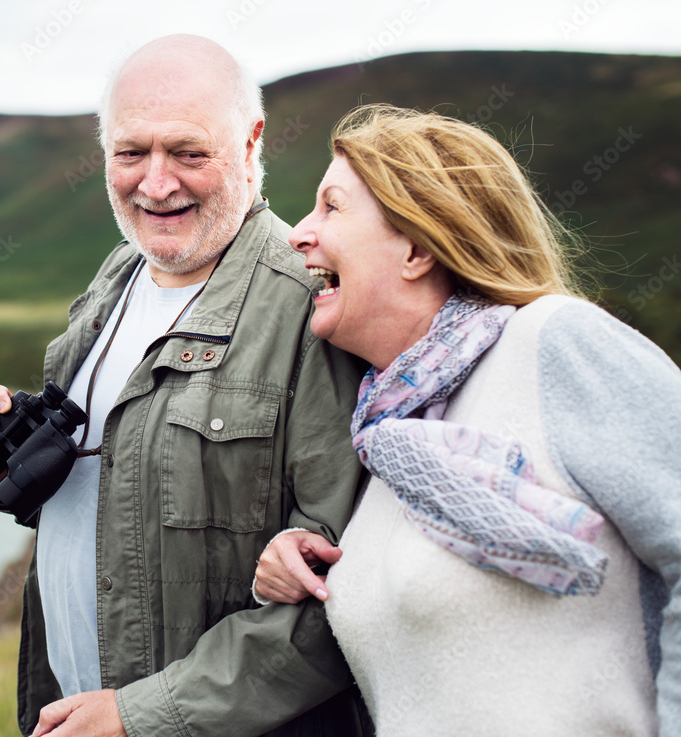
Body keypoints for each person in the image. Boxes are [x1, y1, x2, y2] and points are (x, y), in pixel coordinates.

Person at [0, 35, 371, 737]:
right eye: (130, 152)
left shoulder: (311, 312)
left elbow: (336, 599)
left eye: (188, 152)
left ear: (250, 142)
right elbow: (137, 506)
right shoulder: (113, 280)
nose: (156, 183)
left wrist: (140, 715)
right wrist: (10, 467)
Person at [252, 103, 681, 736]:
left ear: (417, 247)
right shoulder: (385, 434)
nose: (298, 233)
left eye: (332, 207)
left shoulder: (555, 342)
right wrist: (291, 565)